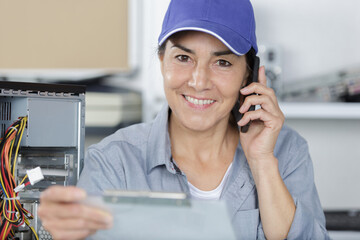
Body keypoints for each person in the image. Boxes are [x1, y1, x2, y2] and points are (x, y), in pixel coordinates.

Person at [38, 0, 330, 239]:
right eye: (183, 58)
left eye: (223, 62)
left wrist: (262, 161)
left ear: (249, 74)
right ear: (162, 60)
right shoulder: (114, 161)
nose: (199, 81)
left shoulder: (286, 150)